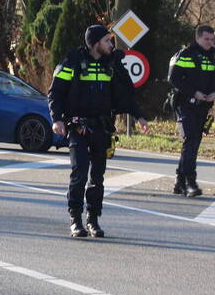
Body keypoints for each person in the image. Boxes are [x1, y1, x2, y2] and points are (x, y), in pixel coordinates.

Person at [48, 24, 149, 238]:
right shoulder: (72, 62)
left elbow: (126, 94)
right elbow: (56, 92)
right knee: (80, 173)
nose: (111, 44)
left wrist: (138, 115)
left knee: (98, 177)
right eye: (106, 41)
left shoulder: (112, 64)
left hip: (102, 128)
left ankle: (93, 219)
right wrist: (56, 119)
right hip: (78, 127)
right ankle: (75, 218)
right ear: (95, 43)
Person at [168, 25, 215, 197]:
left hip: (203, 107)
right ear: (197, 38)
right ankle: (190, 182)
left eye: (212, 39)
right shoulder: (186, 54)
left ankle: (180, 181)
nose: (210, 43)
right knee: (191, 140)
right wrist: (193, 92)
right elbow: (173, 78)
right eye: (207, 39)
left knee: (193, 143)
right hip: (185, 104)